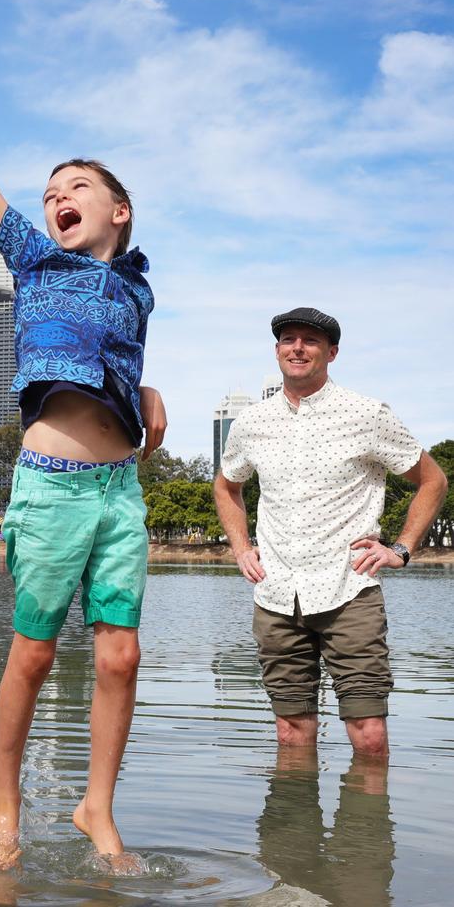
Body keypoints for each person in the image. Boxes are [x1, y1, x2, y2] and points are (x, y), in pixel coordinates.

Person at [0, 9, 167, 870]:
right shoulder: (35, 258)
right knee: (33, 650)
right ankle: (7, 796)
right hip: (53, 484)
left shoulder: (137, 290)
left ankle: (97, 806)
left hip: (119, 494)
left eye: (77, 187)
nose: (58, 196)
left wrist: (150, 396)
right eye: (52, 188)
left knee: (122, 655)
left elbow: (121, 371)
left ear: (119, 212)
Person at [214, 307, 447, 758]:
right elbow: (227, 486)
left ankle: (363, 832)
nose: (297, 348)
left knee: (369, 733)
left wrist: (400, 548)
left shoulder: (367, 414)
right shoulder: (252, 423)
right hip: (276, 593)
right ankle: (295, 831)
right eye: (288, 339)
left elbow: (433, 480)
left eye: (310, 341)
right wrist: (241, 548)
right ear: (277, 350)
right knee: (290, 734)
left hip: (349, 590)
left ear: (331, 352)